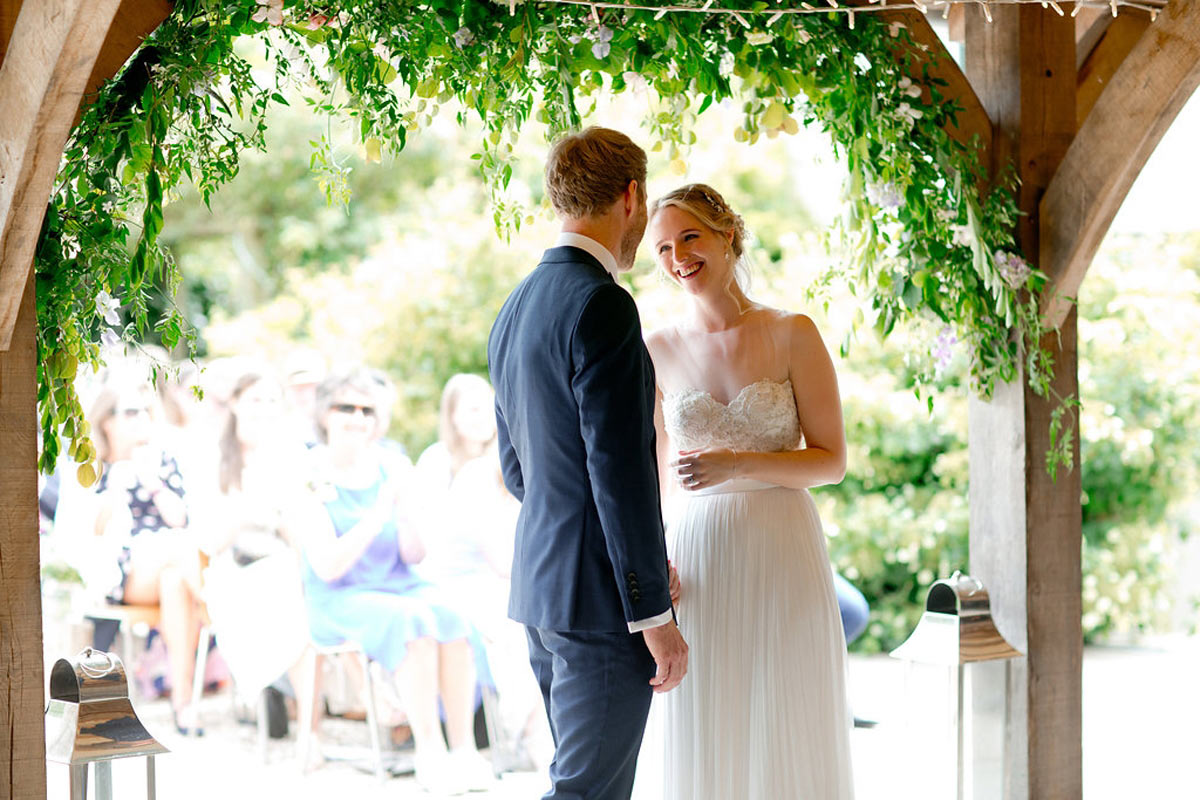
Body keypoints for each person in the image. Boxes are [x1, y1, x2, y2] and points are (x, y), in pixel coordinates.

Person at [487, 126, 688, 800]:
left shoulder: (515, 308)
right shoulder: (602, 304)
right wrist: (653, 618)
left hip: (543, 592)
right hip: (599, 606)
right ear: (631, 197)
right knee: (585, 794)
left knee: (581, 783)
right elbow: (620, 474)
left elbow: (518, 471)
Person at [644, 183, 855, 798]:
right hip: (699, 551)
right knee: (713, 708)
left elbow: (832, 461)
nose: (677, 257)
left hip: (783, 543)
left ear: (727, 234)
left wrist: (737, 464)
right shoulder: (655, 348)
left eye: (689, 237)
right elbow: (654, 475)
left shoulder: (793, 332)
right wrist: (654, 563)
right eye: (661, 249)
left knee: (789, 703)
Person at [286, 366, 492, 794]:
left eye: (367, 409)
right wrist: (380, 509)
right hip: (340, 597)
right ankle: (428, 753)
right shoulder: (307, 473)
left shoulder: (392, 465)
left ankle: (464, 750)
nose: (358, 418)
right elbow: (327, 567)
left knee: (452, 616)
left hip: (399, 583)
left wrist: (407, 513)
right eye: (347, 407)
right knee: (412, 622)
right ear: (326, 412)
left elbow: (414, 555)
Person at [89, 376, 206, 735]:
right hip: (120, 569)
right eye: (129, 412)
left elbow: (179, 519)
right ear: (107, 420)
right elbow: (91, 530)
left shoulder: (162, 460)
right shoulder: (93, 464)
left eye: (144, 411)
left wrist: (151, 478)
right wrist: (119, 483)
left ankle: (183, 704)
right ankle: (213, 600)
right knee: (181, 555)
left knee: (175, 579)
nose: (140, 418)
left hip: (170, 565)